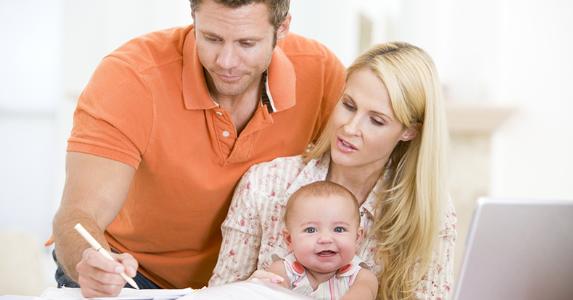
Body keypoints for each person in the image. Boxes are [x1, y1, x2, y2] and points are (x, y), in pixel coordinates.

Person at [50, 0, 345, 297]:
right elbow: (77, 215)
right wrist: (90, 260)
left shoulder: (319, 73)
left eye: (247, 43)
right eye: (212, 38)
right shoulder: (131, 76)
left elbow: (371, 166)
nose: (226, 61)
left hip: (246, 283)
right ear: (193, 19)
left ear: (282, 30)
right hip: (130, 276)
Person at [209, 42, 457, 299]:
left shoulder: (430, 210)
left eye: (376, 120)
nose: (350, 128)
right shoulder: (265, 184)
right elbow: (217, 294)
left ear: (409, 131)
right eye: (349, 105)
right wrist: (248, 290)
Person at [266, 181, 378, 299]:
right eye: (310, 230)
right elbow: (272, 293)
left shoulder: (362, 278)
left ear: (356, 238)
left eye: (339, 229)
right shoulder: (283, 270)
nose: (325, 239)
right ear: (289, 240)